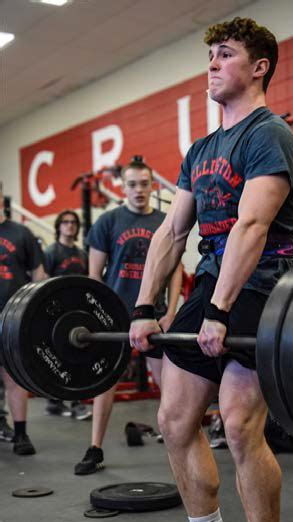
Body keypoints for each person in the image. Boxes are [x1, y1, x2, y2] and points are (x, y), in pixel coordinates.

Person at [130, 17, 293, 522]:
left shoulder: (270, 134)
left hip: (263, 286)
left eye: (224, 54)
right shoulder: (202, 151)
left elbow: (253, 229)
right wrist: (146, 307)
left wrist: (222, 312)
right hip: (212, 287)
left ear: (258, 66)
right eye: (208, 55)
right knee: (174, 421)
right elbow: (173, 232)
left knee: (239, 424)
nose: (211, 64)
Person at [74, 156, 182, 475]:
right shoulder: (107, 222)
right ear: (123, 187)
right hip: (114, 317)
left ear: (152, 186)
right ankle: (95, 449)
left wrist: (172, 311)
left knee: (169, 385)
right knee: (105, 384)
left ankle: (179, 447)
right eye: (132, 184)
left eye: (144, 184)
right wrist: (96, 317)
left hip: (154, 315)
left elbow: (175, 269)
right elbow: (93, 276)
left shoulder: (165, 221)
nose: (139, 190)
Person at [0, 188, 46, 455]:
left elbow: (38, 273)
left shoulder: (21, 233)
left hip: (12, 318)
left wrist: (37, 311)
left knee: (13, 376)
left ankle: (20, 434)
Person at [43, 209, 91, 421]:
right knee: (56, 357)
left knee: (77, 356)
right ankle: (55, 400)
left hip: (77, 313)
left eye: (73, 222)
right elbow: (42, 283)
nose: (70, 225)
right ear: (59, 226)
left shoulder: (82, 254)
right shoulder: (51, 252)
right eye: (65, 222)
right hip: (55, 313)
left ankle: (76, 401)